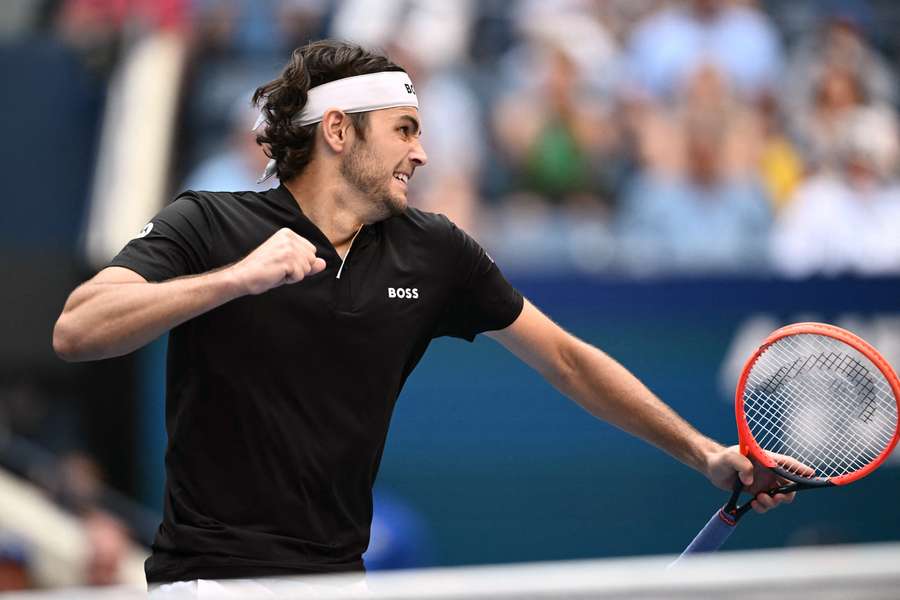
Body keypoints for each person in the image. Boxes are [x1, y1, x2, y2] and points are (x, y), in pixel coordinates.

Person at [52, 40, 794, 593]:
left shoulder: (433, 250)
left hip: (337, 581)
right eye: (404, 130)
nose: (424, 152)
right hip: (205, 582)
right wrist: (234, 281)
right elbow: (78, 329)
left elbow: (568, 359)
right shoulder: (209, 223)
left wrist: (704, 454)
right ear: (338, 132)